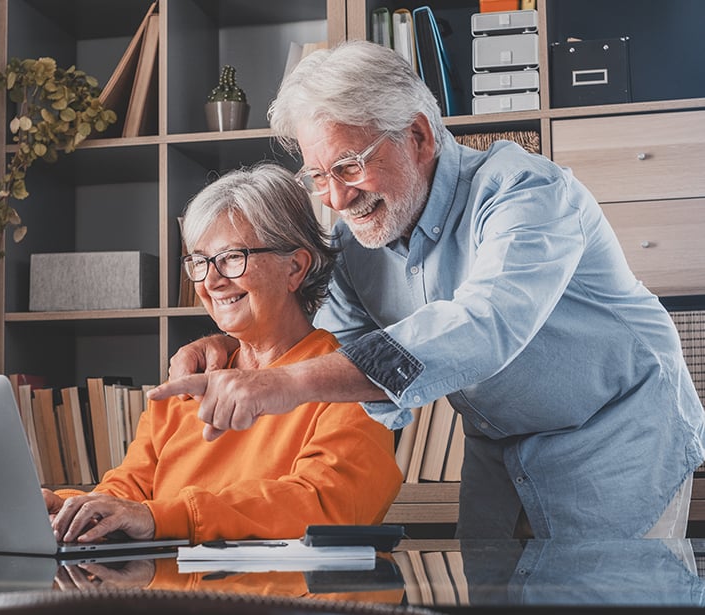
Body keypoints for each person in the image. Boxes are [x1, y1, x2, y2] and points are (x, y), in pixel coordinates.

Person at [149, 40, 705, 539]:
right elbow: (334, 360)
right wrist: (238, 351)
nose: (337, 200)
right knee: (486, 596)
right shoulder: (355, 247)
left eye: (348, 165)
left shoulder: (525, 191)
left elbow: (486, 324)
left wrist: (282, 381)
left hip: (614, 431)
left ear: (417, 135)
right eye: (319, 177)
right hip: (500, 444)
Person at [45, 161, 402, 545]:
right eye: (199, 261)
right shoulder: (191, 376)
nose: (212, 281)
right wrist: (65, 509)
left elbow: (324, 504)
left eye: (232, 257)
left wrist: (167, 516)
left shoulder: (345, 384)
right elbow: (131, 488)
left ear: (295, 267)